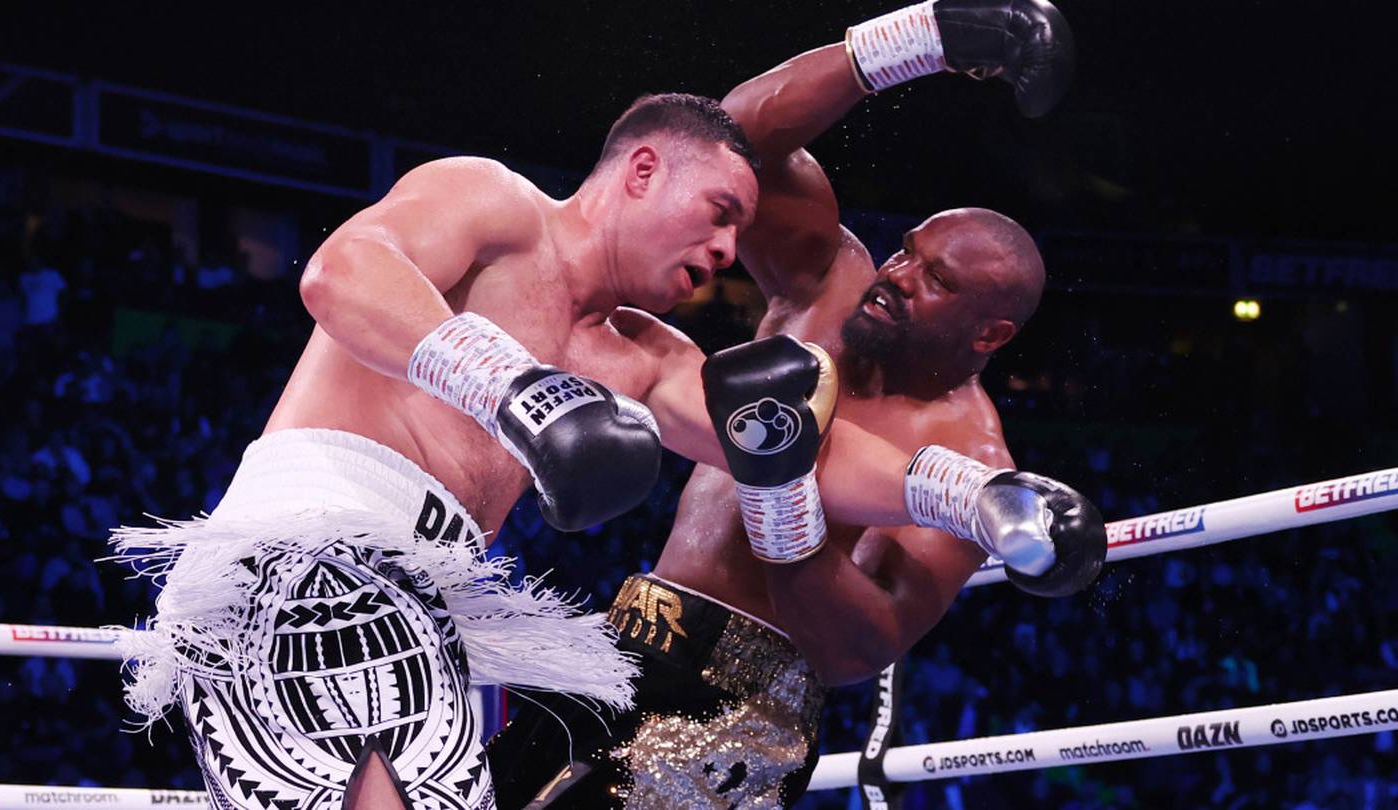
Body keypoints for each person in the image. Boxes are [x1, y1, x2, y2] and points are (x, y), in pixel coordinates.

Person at [109, 92, 1018, 810]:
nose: (730, 248)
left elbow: (804, 457)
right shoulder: (494, 204)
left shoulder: (643, 356)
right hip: (314, 555)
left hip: (416, 601)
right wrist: (513, 387)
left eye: (739, 230)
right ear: (643, 170)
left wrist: (978, 501)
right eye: (717, 212)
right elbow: (342, 273)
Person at [485, 1, 1102, 807]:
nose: (898, 275)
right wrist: (923, 42)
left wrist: (785, 502)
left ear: (988, 333)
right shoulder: (831, 282)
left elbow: (860, 648)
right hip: (624, 638)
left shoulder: (975, 460)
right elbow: (720, 146)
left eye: (935, 282)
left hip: (742, 717)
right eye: (908, 251)